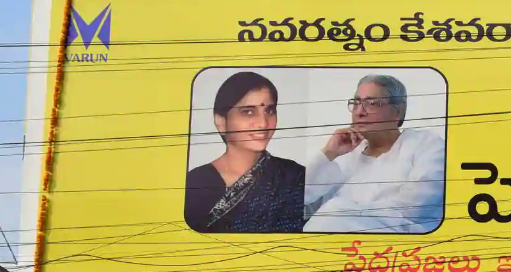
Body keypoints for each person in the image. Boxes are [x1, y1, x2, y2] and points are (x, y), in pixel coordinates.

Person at [303, 74, 445, 234]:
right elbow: (298, 205)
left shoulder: (426, 144)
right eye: (356, 103)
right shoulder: (345, 157)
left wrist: (341, 211)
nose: (359, 112)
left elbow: (415, 208)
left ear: (397, 112)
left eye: (371, 103)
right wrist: (328, 153)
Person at [185, 71, 306, 233]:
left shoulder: (293, 177)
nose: (263, 123)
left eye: (269, 111)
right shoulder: (194, 182)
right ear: (221, 121)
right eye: (248, 112)